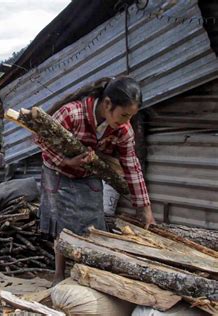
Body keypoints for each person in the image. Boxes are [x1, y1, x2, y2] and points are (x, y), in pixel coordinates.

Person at [35, 76, 156, 285]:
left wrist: (144, 209)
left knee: (93, 219)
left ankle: (89, 271)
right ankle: (59, 274)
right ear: (108, 104)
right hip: (57, 170)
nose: (126, 121)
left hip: (89, 171)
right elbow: (41, 139)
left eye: (130, 117)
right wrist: (66, 160)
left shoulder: (123, 130)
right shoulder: (72, 113)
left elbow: (132, 166)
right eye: (123, 115)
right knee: (63, 223)